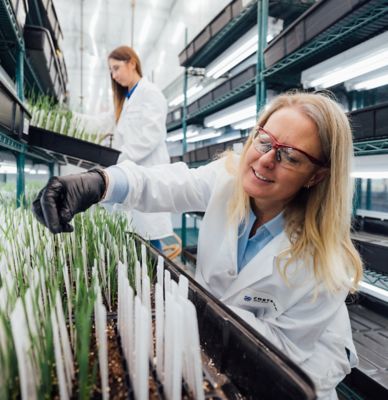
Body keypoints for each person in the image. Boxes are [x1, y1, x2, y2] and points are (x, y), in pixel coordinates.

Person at [33, 91, 363, 399]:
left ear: (315, 177)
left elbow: (279, 355)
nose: (265, 160)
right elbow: (166, 183)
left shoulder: (327, 264)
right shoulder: (227, 179)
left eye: (289, 156)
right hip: (212, 355)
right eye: (264, 141)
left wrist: (186, 309)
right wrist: (100, 182)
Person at [77, 45, 173, 250]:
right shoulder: (126, 99)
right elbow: (102, 123)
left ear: (132, 63)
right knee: (135, 235)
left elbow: (149, 137)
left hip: (148, 174)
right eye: (111, 70)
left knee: (149, 239)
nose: (114, 75)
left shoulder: (151, 94)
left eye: (117, 68)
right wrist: (68, 119)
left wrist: (116, 159)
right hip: (130, 173)